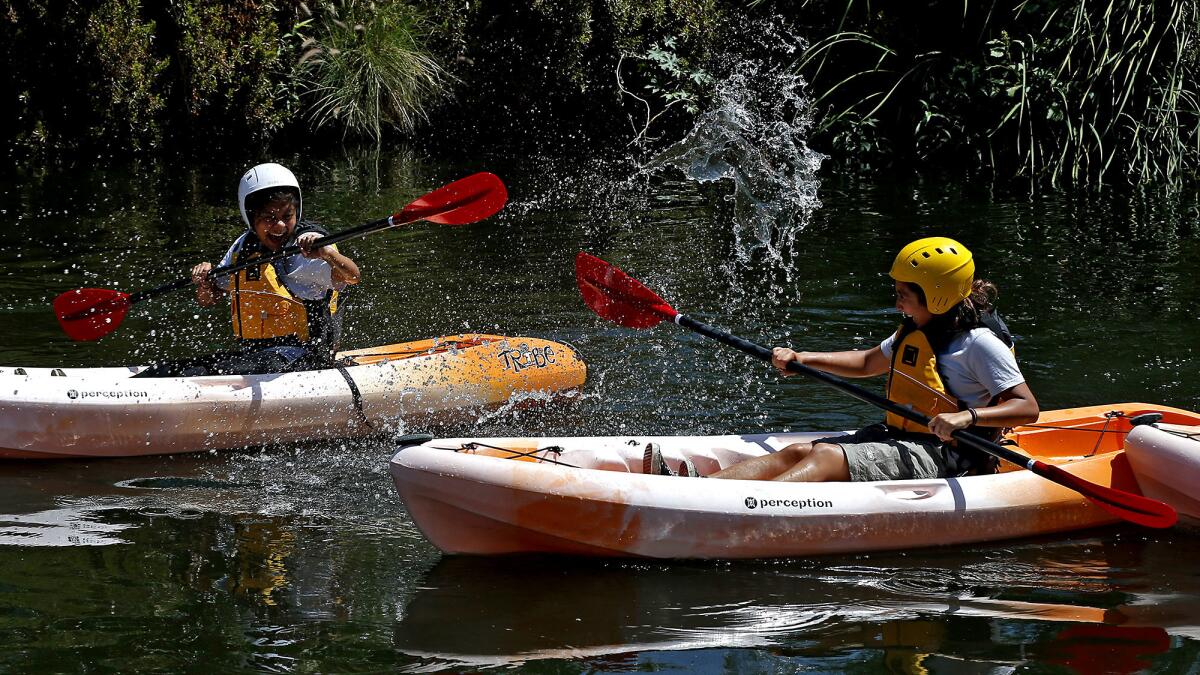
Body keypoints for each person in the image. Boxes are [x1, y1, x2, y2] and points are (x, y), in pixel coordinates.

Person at [646, 236, 1039, 481]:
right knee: (803, 451)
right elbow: (869, 362)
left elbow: (1027, 407)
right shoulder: (917, 327)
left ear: (935, 295)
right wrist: (803, 358)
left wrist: (965, 418)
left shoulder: (979, 343)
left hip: (952, 453)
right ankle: (704, 489)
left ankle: (726, 508)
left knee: (830, 457)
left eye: (905, 290)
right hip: (904, 437)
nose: (896, 296)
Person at [140, 163, 360, 377]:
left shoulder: (309, 247)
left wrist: (327, 253)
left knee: (207, 373)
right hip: (256, 356)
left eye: (287, 216)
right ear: (251, 217)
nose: (280, 226)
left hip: (304, 358)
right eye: (269, 218)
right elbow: (209, 299)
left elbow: (352, 276)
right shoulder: (244, 247)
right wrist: (205, 281)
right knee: (165, 370)